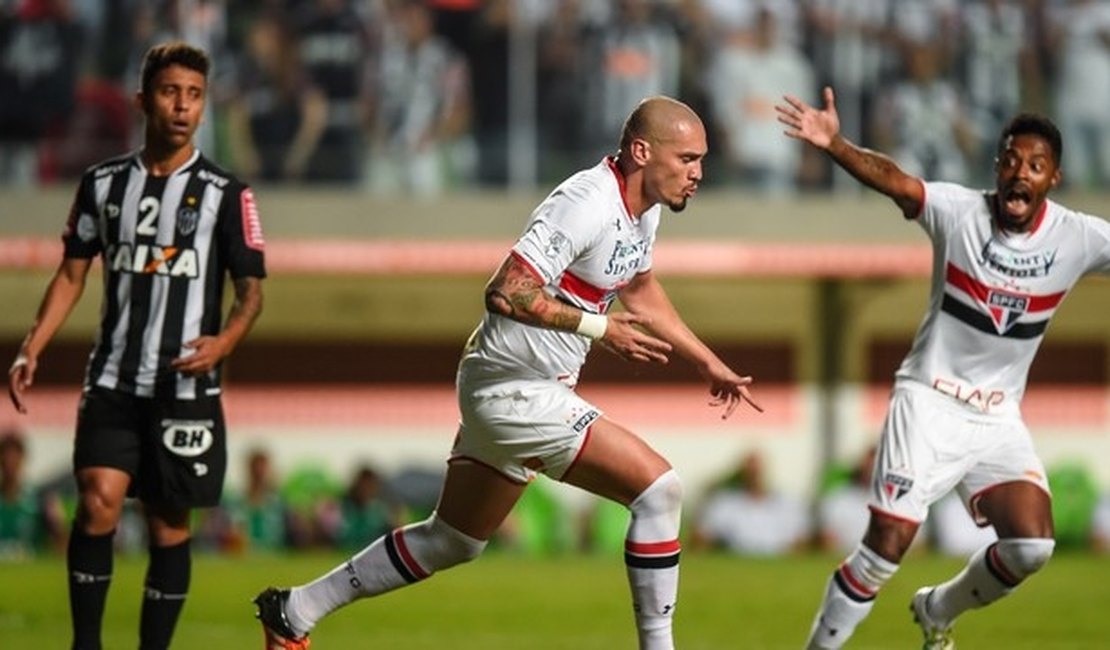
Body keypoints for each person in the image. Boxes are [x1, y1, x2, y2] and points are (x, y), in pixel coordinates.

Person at [253, 95, 761, 650]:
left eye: (701, 160)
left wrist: (706, 360)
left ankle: (295, 610)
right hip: (514, 389)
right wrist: (599, 328)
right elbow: (506, 291)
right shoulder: (585, 202)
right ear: (643, 151)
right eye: (687, 158)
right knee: (659, 490)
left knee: (452, 541)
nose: (699, 173)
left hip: (516, 387)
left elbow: (638, 287)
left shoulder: (646, 210)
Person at [777, 87, 1110, 649]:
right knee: (889, 540)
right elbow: (896, 181)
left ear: (1053, 177)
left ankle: (937, 609)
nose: (1018, 173)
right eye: (1009, 160)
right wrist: (834, 145)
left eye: (1034, 164)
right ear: (996, 166)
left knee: (1032, 546)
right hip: (928, 401)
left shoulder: (1078, 238)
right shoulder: (959, 213)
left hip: (997, 418)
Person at [6, 42, 266, 649]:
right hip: (114, 379)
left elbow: (250, 293)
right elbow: (71, 273)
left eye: (195, 95)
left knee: (168, 525)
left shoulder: (228, 194)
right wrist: (30, 347)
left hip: (186, 385)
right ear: (144, 99)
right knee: (97, 501)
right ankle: (87, 644)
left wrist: (223, 342)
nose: (182, 106)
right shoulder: (102, 184)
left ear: (204, 107)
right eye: (172, 92)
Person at [691, 449, 810, 556]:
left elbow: (801, 541)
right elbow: (701, 538)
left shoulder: (785, 504)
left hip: (779, 561)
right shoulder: (726, 503)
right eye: (750, 470)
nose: (754, 475)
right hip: (736, 561)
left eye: (756, 470)